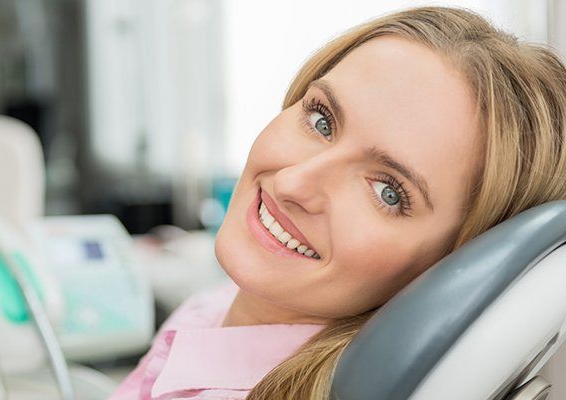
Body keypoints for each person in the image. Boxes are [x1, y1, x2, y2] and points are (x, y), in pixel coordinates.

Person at [110, 5, 566, 400]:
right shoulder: (214, 311)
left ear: (452, 268)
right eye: (322, 120)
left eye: (388, 192)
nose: (293, 182)